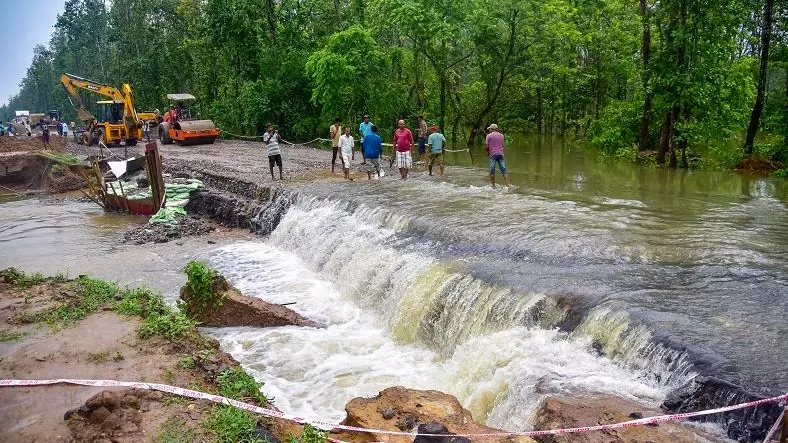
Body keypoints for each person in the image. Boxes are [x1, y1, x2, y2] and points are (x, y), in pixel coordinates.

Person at [485, 123, 509, 188]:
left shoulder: (488, 136)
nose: (489, 130)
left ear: (492, 129)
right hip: (501, 154)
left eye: (490, 129)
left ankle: (494, 186)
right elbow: (503, 145)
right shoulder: (501, 135)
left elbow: (487, 146)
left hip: (493, 155)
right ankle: (507, 185)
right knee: (504, 170)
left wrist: (487, 152)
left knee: (492, 170)